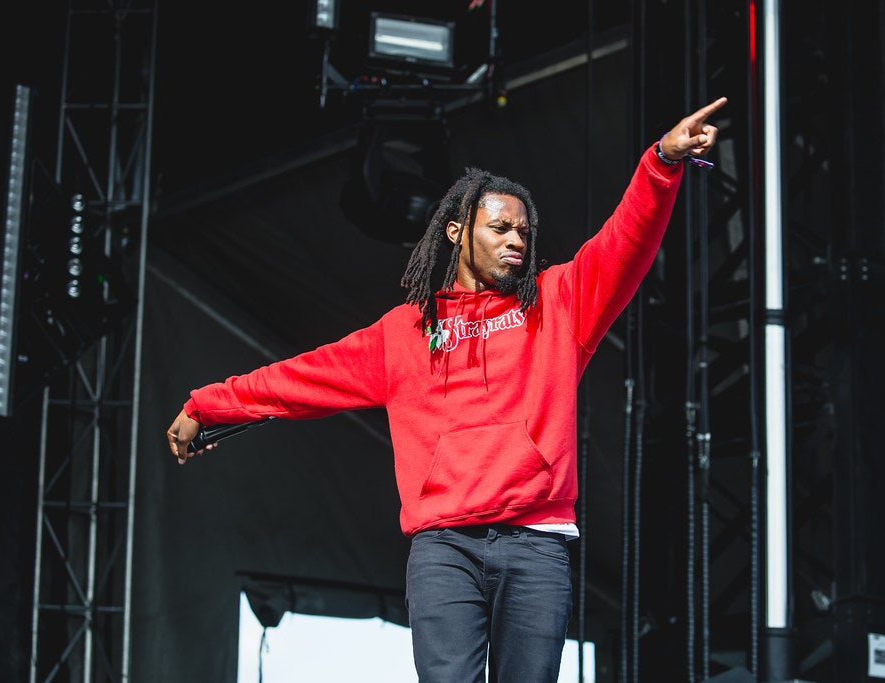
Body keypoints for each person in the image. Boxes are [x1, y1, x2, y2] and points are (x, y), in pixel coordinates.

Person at [167, 96, 726, 682]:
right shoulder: (405, 331)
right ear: (458, 232)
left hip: (537, 546)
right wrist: (207, 405)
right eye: (501, 227)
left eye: (524, 232)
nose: (517, 241)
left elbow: (625, 244)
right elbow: (303, 378)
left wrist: (661, 162)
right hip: (445, 550)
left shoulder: (559, 305)